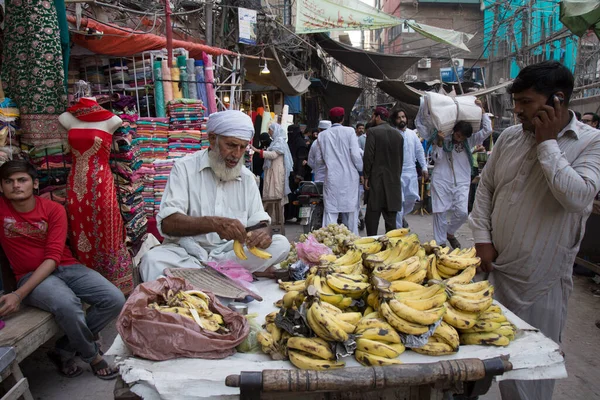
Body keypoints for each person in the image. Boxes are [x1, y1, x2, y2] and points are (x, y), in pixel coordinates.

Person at [469, 60, 600, 400]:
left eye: (525, 102)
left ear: (557, 100)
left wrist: (547, 143)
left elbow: (577, 196)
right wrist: (482, 239)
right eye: (516, 102)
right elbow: (486, 190)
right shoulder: (510, 137)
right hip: (493, 272)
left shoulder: (590, 143)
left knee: (529, 379)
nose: (517, 111)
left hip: (542, 283)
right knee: (475, 368)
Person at [0, 160, 124, 380]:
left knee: (114, 299)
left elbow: (53, 257)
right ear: (1, 187)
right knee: (68, 304)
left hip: (64, 266)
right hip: (31, 276)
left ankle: (65, 347)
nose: (16, 186)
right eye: (9, 181)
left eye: (22, 180)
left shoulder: (53, 209)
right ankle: (92, 356)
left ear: (35, 184)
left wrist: (18, 296)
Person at [139, 110, 290, 282]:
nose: (237, 154)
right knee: (152, 260)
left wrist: (263, 232)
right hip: (187, 252)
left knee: (281, 244)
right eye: (231, 145)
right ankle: (231, 275)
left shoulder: (247, 178)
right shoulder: (184, 168)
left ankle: (208, 278)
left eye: (243, 147)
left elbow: (260, 221)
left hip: (229, 254)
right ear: (212, 140)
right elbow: (168, 224)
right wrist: (213, 224)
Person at [431, 102, 492, 248]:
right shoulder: (443, 138)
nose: (460, 139)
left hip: (462, 181)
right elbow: (437, 159)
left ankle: (450, 233)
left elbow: (488, 129)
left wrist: (482, 111)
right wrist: (439, 141)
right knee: (440, 212)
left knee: (462, 213)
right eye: (458, 135)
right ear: (454, 131)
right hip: (441, 179)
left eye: (463, 137)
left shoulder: (469, 140)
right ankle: (440, 244)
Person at [315, 107, 363, 234]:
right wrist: (362, 171)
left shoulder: (322, 135)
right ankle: (354, 240)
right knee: (352, 210)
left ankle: (330, 241)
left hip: (332, 177)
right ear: (343, 118)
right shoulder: (350, 131)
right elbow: (355, 155)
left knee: (331, 210)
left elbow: (319, 160)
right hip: (350, 177)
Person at [363, 107, 404, 235]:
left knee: (372, 219)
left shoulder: (373, 132)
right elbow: (400, 160)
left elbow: (368, 157)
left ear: (378, 117)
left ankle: (372, 247)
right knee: (391, 221)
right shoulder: (398, 135)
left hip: (376, 181)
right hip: (393, 182)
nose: (372, 119)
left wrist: (366, 177)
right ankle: (390, 250)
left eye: (373, 116)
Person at [391, 109, 428, 229]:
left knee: (411, 199)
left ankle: (401, 217)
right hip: (397, 173)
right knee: (399, 202)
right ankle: (398, 230)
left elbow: (419, 151)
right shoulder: (392, 133)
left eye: (403, 117)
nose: (402, 120)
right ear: (394, 120)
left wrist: (424, 167)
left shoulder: (412, 134)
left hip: (411, 172)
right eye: (399, 117)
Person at [251, 123, 293, 214]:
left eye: (270, 130)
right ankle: (272, 220)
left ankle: (277, 220)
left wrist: (257, 150)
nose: (269, 132)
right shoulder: (275, 142)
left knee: (276, 195)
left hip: (276, 172)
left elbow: (273, 155)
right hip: (272, 171)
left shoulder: (279, 142)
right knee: (271, 195)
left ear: (274, 130)